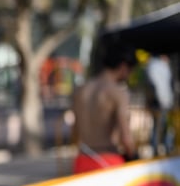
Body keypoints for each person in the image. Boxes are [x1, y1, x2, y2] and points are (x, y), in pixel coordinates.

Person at [71, 43, 139, 174]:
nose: (129, 75)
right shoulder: (118, 92)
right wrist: (135, 158)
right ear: (123, 66)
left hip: (82, 159)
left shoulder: (81, 90)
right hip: (108, 161)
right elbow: (125, 138)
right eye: (130, 71)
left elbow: (75, 131)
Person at [144, 53, 175, 156]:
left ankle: (161, 149)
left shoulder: (154, 66)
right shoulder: (158, 66)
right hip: (160, 103)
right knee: (160, 128)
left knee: (162, 128)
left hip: (161, 102)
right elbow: (156, 86)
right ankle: (160, 149)